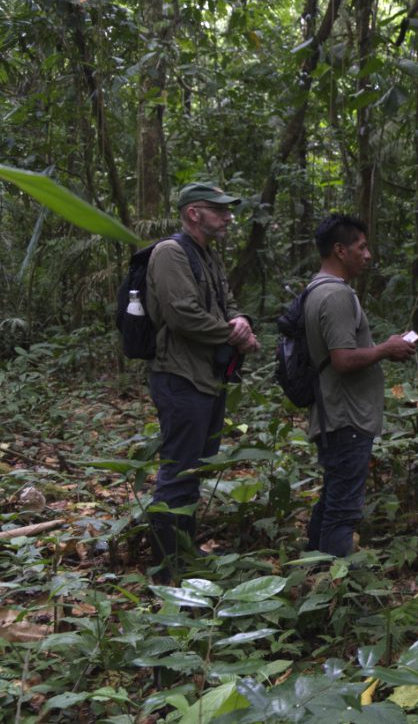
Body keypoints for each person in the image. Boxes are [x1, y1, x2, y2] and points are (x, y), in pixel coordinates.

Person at [146, 182, 260, 582]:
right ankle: (167, 569)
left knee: (194, 472)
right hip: (179, 378)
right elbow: (183, 315)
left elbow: (226, 304)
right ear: (194, 212)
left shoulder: (208, 256)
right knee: (178, 473)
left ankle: (184, 551)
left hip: (208, 380)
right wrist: (235, 335)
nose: (228, 216)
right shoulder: (169, 253)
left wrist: (241, 320)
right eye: (220, 209)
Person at [303, 214, 416, 557]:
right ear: (339, 250)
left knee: (333, 499)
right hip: (345, 416)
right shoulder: (335, 295)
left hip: (335, 414)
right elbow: (342, 359)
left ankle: (313, 568)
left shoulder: (317, 289)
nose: (368, 255)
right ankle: (340, 594)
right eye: (361, 247)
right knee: (343, 511)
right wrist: (386, 348)